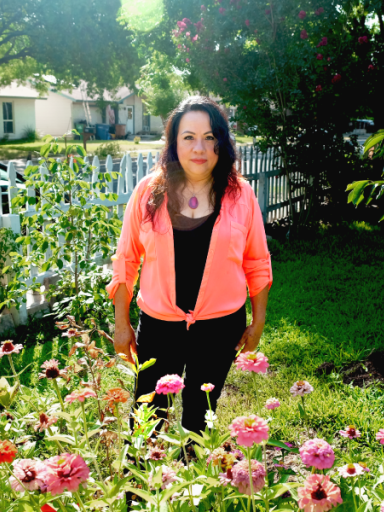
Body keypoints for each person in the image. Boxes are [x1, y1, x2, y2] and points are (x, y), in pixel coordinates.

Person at [107, 96, 273, 438]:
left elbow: (257, 261)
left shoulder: (240, 195)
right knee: (146, 419)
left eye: (210, 136)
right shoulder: (148, 192)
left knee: (200, 417)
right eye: (188, 137)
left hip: (220, 328)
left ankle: (195, 485)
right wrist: (121, 324)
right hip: (158, 327)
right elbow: (126, 260)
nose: (200, 147)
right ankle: (138, 490)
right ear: (174, 142)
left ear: (222, 141)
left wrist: (258, 322)